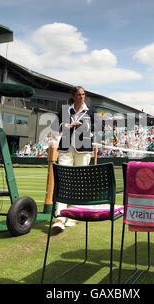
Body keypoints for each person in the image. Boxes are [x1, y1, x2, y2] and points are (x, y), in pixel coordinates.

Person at [51, 86, 98, 232]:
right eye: (79, 94)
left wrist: (83, 126)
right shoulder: (65, 110)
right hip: (65, 148)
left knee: (80, 182)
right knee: (64, 180)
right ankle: (59, 217)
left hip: (83, 149)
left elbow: (98, 127)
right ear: (73, 96)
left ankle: (74, 215)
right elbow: (56, 126)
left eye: (83, 94)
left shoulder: (91, 111)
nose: (82, 97)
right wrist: (67, 126)